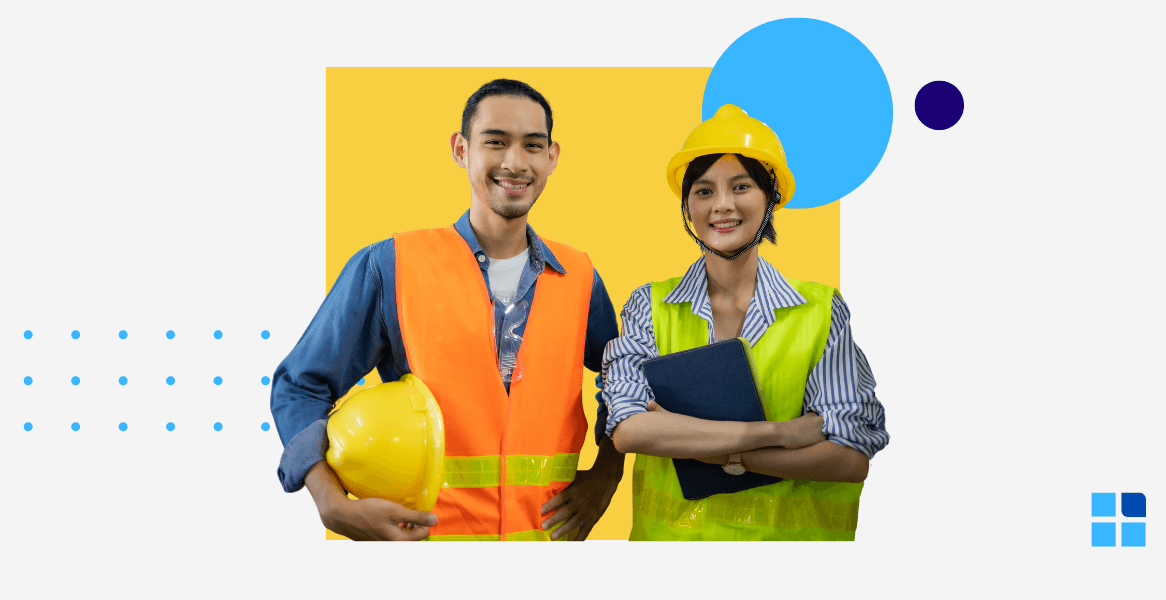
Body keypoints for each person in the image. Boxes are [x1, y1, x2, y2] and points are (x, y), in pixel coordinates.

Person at [271, 79, 625, 541]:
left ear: (552, 157)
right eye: (495, 142)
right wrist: (328, 501)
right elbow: (299, 386)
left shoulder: (580, 277)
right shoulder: (390, 266)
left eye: (532, 146)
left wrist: (606, 476)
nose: (514, 162)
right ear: (461, 149)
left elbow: (627, 384)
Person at [602, 105, 889, 541]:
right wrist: (781, 434)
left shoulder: (821, 311)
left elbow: (849, 458)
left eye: (741, 187)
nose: (722, 206)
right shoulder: (649, 306)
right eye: (702, 191)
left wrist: (718, 452)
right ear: (686, 205)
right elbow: (629, 429)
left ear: (771, 197)